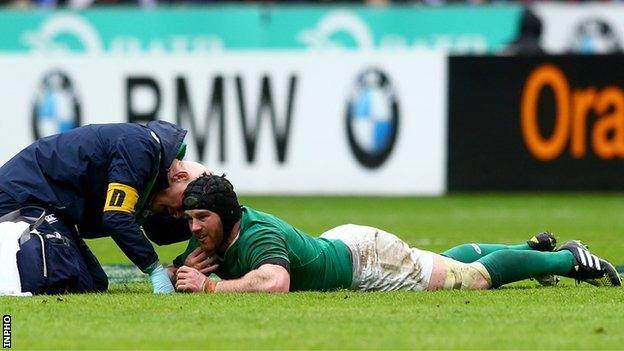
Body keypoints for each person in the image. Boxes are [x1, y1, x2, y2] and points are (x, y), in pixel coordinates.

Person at [173, 174, 622, 293]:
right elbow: (183, 274)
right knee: (443, 263)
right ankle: (525, 250)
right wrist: (180, 270)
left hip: (368, 261)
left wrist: (211, 285)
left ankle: (570, 260)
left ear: (228, 215)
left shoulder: (258, 237)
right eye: (190, 220)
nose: (194, 229)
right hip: (345, 245)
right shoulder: (210, 233)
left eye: (201, 219)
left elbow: (276, 282)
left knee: (472, 279)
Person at [0, 121, 209, 295]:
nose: (180, 214)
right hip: (21, 194)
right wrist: (156, 270)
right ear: (179, 177)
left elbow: (158, 232)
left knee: (92, 283)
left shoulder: (152, 169)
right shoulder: (141, 148)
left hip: (47, 203)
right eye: (186, 204)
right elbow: (116, 216)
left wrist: (185, 260)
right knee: (61, 275)